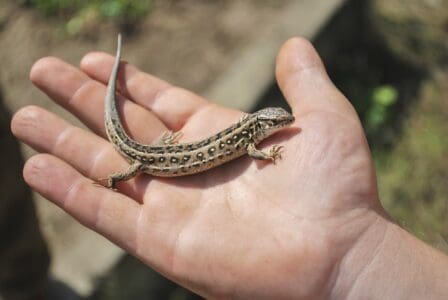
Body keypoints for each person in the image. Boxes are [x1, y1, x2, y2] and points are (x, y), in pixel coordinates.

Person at [11, 37, 448, 299]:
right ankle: (114, 175)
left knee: (140, 151)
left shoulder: (248, 131)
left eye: (282, 122)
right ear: (265, 123)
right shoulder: (251, 138)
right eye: (279, 122)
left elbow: (251, 147)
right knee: (134, 164)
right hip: (149, 158)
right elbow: (254, 154)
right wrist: (118, 177)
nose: (285, 125)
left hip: (159, 152)